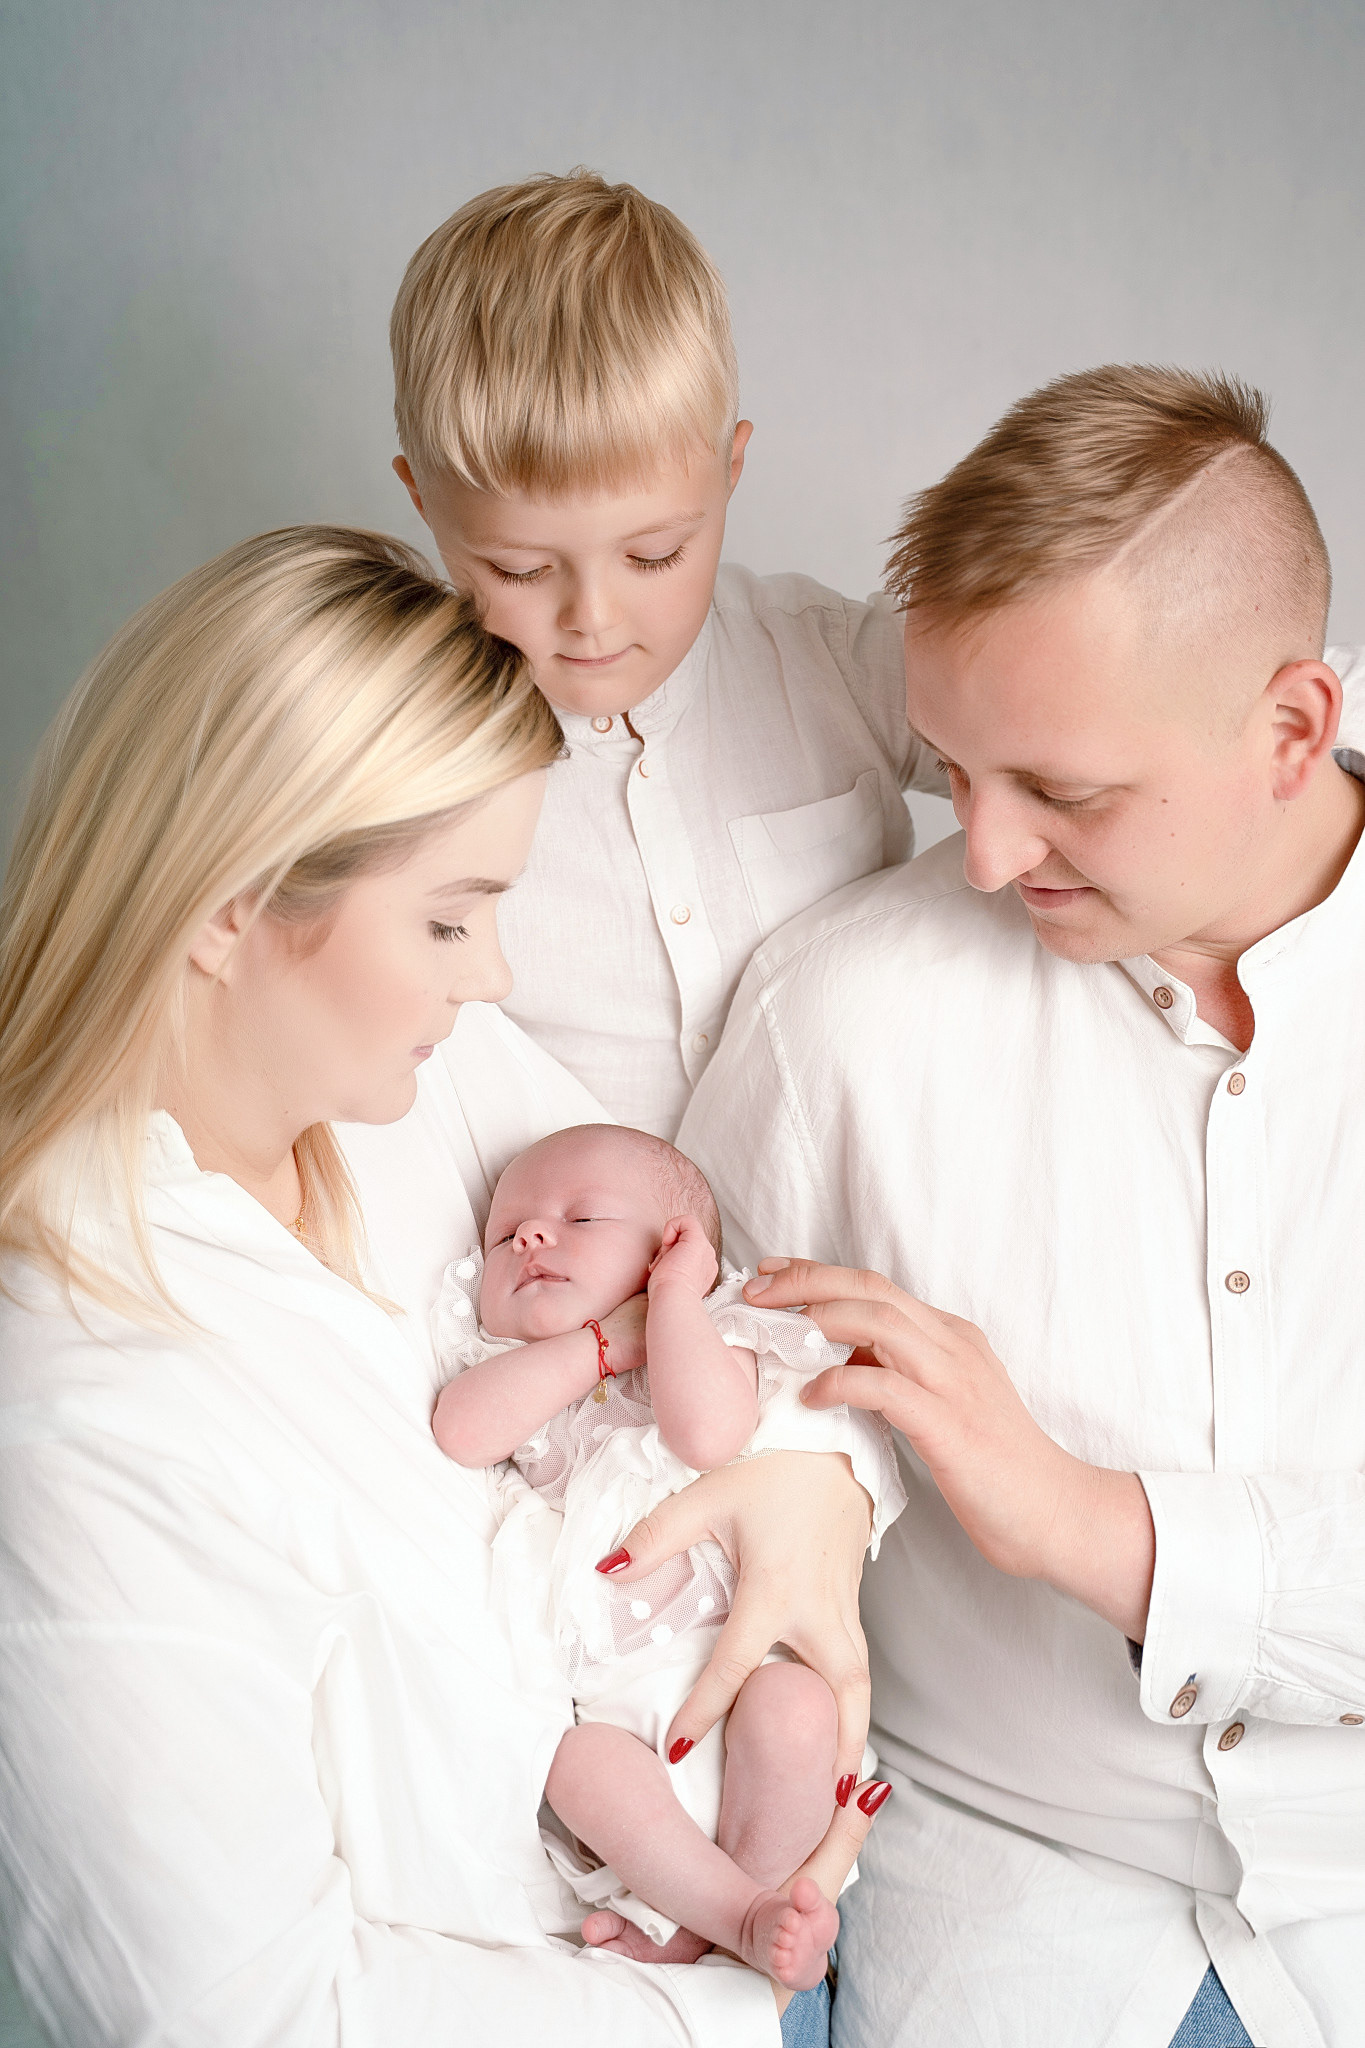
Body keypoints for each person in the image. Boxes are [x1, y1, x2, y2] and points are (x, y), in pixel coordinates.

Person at [0, 525, 882, 2048]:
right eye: (448, 917)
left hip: (764, 1926)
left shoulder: (410, 1087)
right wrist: (718, 2011)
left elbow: (722, 1284)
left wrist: (812, 1487)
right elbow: (248, 2018)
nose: (492, 976)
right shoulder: (85, 1415)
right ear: (229, 904)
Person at [678, 367, 1365, 2048]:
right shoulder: (835, 1016)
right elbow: (694, 1489)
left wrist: (1084, 1522)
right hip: (1000, 1927)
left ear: (1293, 728)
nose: (986, 854)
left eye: (1064, 790)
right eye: (955, 769)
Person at [388, 168, 953, 1139]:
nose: (593, 617)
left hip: (854, 1193)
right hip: (554, 1225)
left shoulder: (829, 662)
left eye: (653, 555)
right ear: (422, 503)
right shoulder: (397, 746)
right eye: (520, 569)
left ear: (730, 471)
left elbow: (1070, 750)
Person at [431, 1123, 900, 1984]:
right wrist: (599, 1345)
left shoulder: (718, 1337)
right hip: (620, 1713)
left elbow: (707, 1434)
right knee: (575, 1766)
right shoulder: (523, 1373)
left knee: (797, 1709)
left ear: (673, 1255)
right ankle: (730, 1916)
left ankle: (739, 1909)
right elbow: (460, 1430)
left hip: (744, 1675)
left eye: (580, 1220)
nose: (529, 1236)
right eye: (504, 1236)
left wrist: (675, 1307)